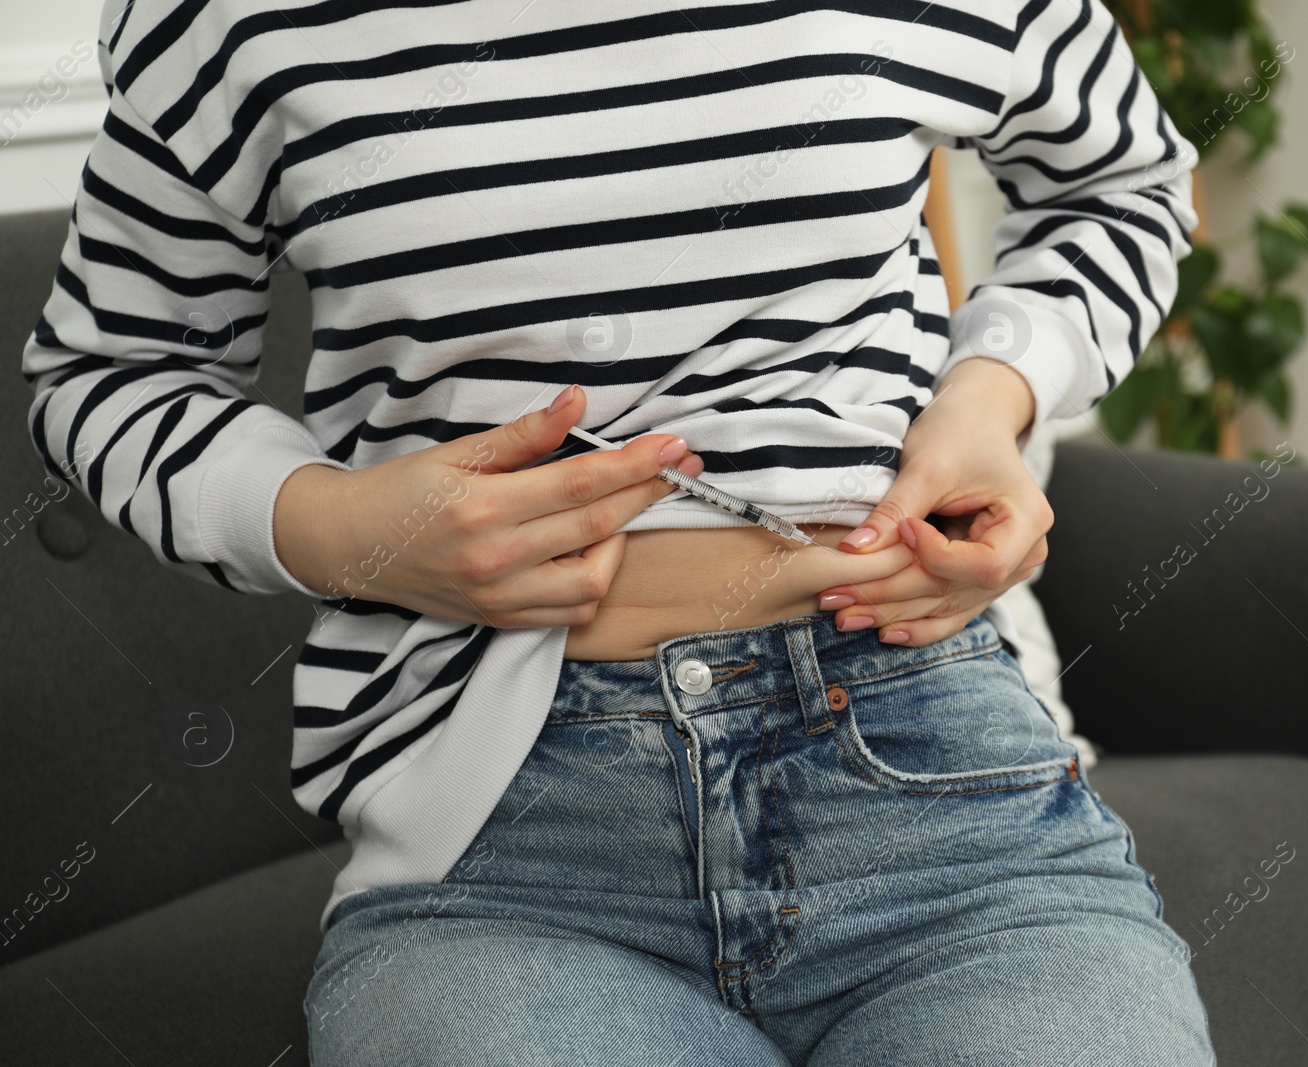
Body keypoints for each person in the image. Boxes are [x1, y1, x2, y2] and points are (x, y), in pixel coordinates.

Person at [22, 0, 1214, 1062]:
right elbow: (110, 364)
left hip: (925, 754)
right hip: (504, 849)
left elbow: (1125, 181)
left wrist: (990, 394)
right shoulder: (232, 19)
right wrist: (337, 526)